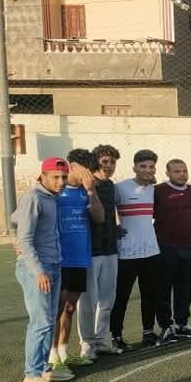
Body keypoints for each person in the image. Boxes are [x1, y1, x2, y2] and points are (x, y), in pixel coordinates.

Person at [13, 158, 68, 382]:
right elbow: (25, 239)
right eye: (55, 177)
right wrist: (38, 271)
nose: (61, 182)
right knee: (41, 322)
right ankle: (31, 375)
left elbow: (14, 218)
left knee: (50, 319)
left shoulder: (52, 198)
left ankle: (44, 369)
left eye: (63, 177)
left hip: (54, 264)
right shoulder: (33, 198)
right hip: (38, 268)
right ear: (43, 176)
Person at [51, 149, 104, 371]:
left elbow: (99, 218)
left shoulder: (87, 191)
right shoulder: (55, 191)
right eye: (85, 170)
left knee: (70, 307)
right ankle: (52, 356)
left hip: (80, 257)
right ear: (72, 166)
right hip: (59, 259)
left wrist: (91, 191)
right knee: (56, 308)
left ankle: (64, 352)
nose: (88, 175)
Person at [111, 149, 161, 350]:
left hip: (151, 251)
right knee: (121, 297)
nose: (148, 170)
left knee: (149, 296)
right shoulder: (120, 188)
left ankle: (148, 332)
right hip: (126, 253)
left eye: (151, 167)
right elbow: (106, 208)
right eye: (143, 166)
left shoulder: (153, 189)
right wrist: (113, 227)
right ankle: (116, 336)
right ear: (134, 168)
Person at [77, 144, 122, 358]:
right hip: (90, 251)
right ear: (95, 162)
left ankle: (101, 339)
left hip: (110, 249)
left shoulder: (111, 185)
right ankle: (86, 344)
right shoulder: (85, 186)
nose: (109, 165)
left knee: (107, 299)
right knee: (88, 301)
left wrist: (116, 229)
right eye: (105, 161)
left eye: (113, 162)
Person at [154, 159, 191, 345]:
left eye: (184, 171)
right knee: (164, 288)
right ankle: (166, 326)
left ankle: (182, 323)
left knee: (185, 288)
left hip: (189, 247)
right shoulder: (158, 191)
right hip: (165, 247)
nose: (182, 174)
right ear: (168, 173)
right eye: (177, 171)